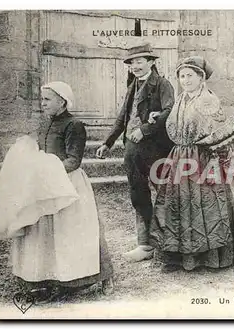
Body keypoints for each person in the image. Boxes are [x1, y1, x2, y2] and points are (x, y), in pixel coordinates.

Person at [3, 81, 114, 303]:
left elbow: (73, 160)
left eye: (47, 100)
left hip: (69, 185)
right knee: (44, 232)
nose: (42, 103)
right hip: (46, 184)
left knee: (76, 231)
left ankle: (102, 276)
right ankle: (47, 279)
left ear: (62, 101)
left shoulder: (74, 125)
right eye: (42, 99)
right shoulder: (46, 123)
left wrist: (45, 169)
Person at [149, 56, 234, 272]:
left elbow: (221, 133)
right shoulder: (181, 99)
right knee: (177, 205)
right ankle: (178, 257)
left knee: (206, 207)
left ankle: (210, 258)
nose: (185, 80)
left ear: (201, 77)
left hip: (201, 158)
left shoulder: (208, 100)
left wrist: (214, 163)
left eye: (190, 75)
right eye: (182, 76)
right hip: (179, 157)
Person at [96, 43, 175, 262]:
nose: (135, 66)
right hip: (133, 151)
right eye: (132, 62)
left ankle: (171, 243)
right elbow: (123, 116)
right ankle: (145, 245)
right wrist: (108, 142)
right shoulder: (132, 85)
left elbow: (170, 111)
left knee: (165, 193)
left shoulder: (162, 84)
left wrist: (145, 130)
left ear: (151, 62)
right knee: (138, 195)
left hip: (157, 150)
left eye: (140, 61)